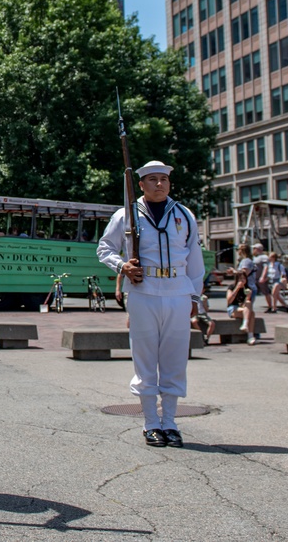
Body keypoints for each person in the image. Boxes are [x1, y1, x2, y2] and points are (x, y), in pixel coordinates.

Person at [97, 160, 204, 449]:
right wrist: (123, 266)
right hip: (143, 291)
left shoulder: (184, 215)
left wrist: (195, 297)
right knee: (145, 360)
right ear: (140, 184)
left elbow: (195, 259)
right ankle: (150, 423)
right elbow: (104, 248)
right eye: (153, 179)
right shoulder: (126, 214)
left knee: (175, 359)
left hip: (178, 291)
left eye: (164, 179)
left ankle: (169, 421)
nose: (160, 184)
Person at [226, 269, 257, 345]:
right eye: (240, 279)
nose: (242, 280)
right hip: (233, 308)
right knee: (251, 314)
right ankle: (250, 336)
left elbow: (245, 305)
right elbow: (229, 301)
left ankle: (246, 326)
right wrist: (237, 288)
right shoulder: (232, 287)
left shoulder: (247, 288)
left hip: (242, 309)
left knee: (249, 306)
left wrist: (248, 296)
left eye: (244, 278)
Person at [252, 243, 273, 312]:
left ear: (258, 249)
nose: (253, 250)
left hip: (261, 279)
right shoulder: (254, 257)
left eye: (254, 248)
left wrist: (262, 277)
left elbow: (265, 267)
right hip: (254, 278)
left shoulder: (264, 257)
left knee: (266, 292)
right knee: (250, 292)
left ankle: (270, 306)